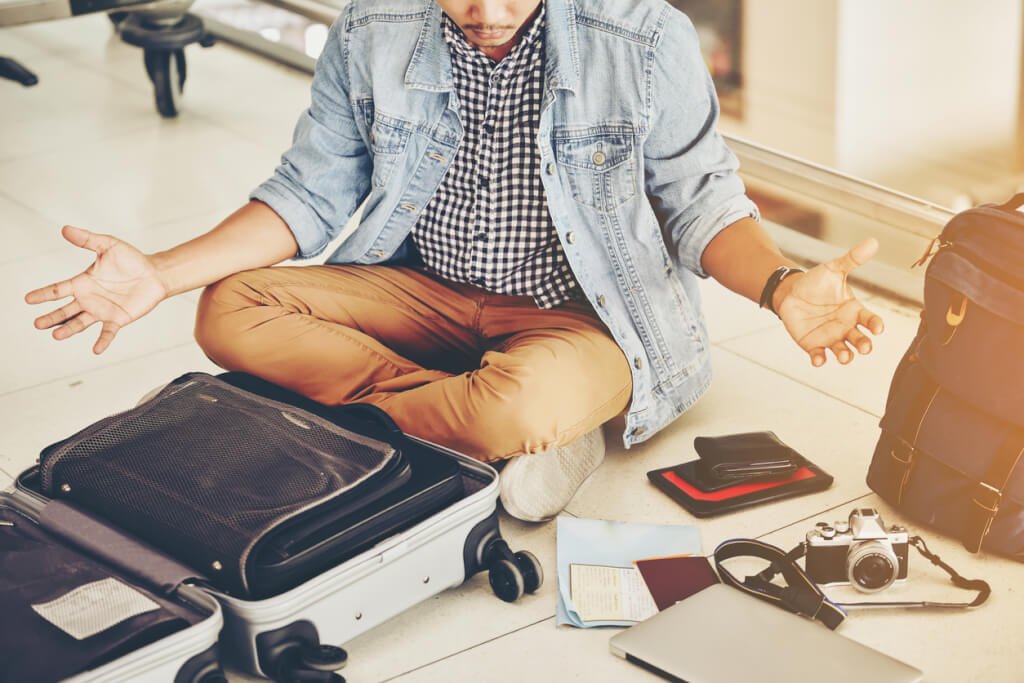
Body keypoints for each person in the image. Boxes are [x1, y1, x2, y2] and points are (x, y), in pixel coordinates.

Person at [25, 0, 884, 522]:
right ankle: (485, 424)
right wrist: (160, 273)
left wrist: (780, 285)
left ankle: (434, 422)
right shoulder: (373, 26)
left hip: (583, 318)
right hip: (423, 292)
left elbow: (701, 201)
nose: (487, 13)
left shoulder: (645, 35)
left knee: (523, 397)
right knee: (228, 307)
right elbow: (309, 192)